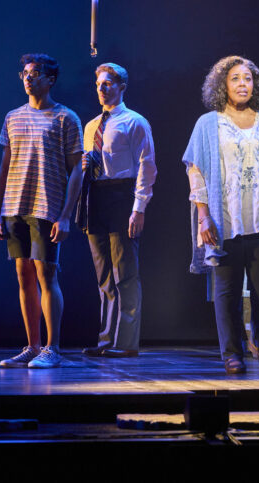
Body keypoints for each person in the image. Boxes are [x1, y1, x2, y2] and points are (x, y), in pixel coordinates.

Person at [183, 56, 259, 374]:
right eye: (235, 78)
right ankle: (231, 352)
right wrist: (204, 216)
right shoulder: (208, 123)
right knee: (227, 290)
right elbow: (195, 171)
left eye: (248, 78)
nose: (243, 84)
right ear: (223, 85)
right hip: (225, 218)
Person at [0, 54, 83, 369]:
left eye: (35, 73)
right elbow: (4, 166)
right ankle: (32, 346)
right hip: (15, 205)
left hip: (47, 206)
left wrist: (66, 215)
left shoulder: (66, 118)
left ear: (50, 80)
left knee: (47, 274)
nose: (28, 78)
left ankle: (52, 348)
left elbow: (77, 169)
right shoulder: (13, 117)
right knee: (23, 275)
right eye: (25, 73)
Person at [79, 63, 156, 358]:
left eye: (108, 83)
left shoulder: (135, 122)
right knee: (104, 275)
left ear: (121, 86)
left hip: (122, 195)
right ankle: (105, 340)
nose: (102, 88)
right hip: (95, 196)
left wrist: (139, 208)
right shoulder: (91, 126)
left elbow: (147, 166)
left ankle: (125, 342)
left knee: (125, 272)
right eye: (98, 84)